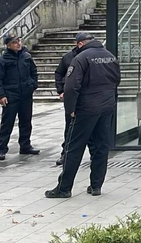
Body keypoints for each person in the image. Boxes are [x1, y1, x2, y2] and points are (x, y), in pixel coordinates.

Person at [46, 32, 121, 198]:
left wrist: (70, 108)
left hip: (86, 108)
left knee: (74, 147)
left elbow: (71, 86)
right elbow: (117, 80)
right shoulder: (110, 56)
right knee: (101, 147)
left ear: (80, 44)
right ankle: (96, 186)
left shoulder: (81, 58)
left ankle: (64, 188)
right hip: (106, 106)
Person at [0, 34, 40, 160]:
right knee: (7, 123)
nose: (18, 44)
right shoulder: (2, 60)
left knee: (26, 121)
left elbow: (33, 71)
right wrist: (1, 95)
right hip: (10, 95)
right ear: (8, 45)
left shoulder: (26, 56)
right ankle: (2, 149)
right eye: (14, 42)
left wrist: (33, 84)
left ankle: (25, 146)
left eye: (19, 41)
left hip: (26, 94)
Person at [53, 37, 84, 166]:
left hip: (88, 97)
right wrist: (60, 90)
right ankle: (65, 154)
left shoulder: (91, 56)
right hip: (72, 97)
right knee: (70, 127)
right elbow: (59, 73)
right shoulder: (68, 57)